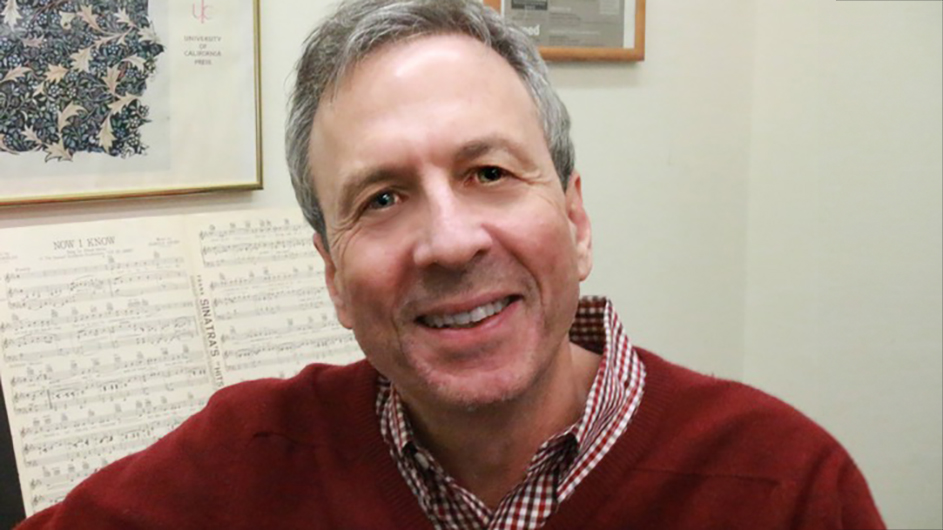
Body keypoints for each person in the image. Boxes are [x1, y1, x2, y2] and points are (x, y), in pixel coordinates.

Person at [18, 0, 885, 528]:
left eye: (489, 173)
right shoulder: (243, 459)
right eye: (381, 198)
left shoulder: (784, 486)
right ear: (332, 277)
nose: (450, 242)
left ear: (575, 220)